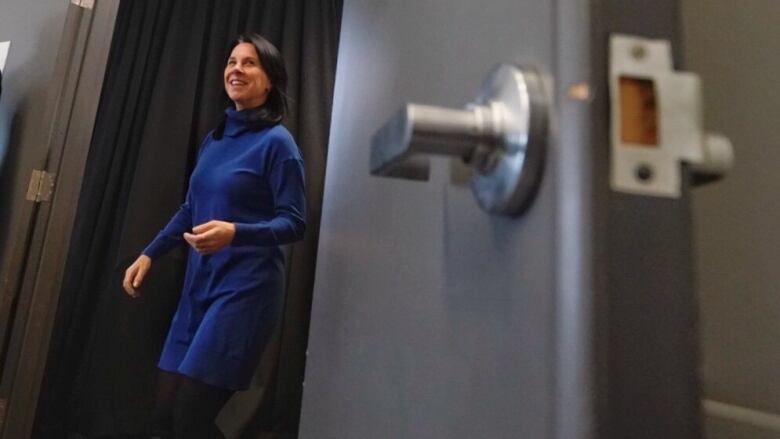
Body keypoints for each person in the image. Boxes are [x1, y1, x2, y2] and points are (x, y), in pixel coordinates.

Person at [122, 33, 306, 439]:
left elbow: (294, 222)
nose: (236, 69)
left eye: (249, 63)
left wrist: (235, 232)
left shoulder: (279, 144)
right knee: (165, 414)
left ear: (270, 80)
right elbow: (191, 208)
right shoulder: (215, 140)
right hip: (198, 288)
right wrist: (150, 254)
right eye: (231, 61)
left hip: (245, 294)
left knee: (191, 417)